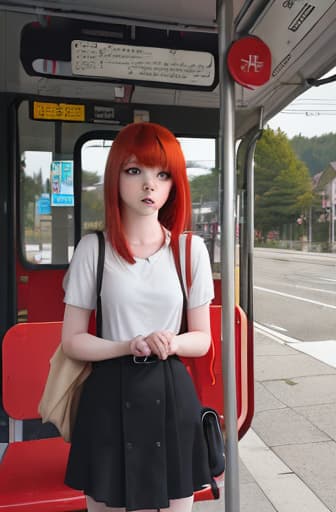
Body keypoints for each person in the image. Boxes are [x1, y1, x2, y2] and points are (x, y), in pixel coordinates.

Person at [61, 122, 214, 512]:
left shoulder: (189, 249)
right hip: (109, 397)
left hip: (172, 393)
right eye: (135, 171)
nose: (150, 185)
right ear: (116, 177)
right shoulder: (92, 250)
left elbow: (202, 339)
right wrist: (127, 345)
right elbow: (72, 339)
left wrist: (172, 341)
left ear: (174, 183)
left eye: (162, 174)